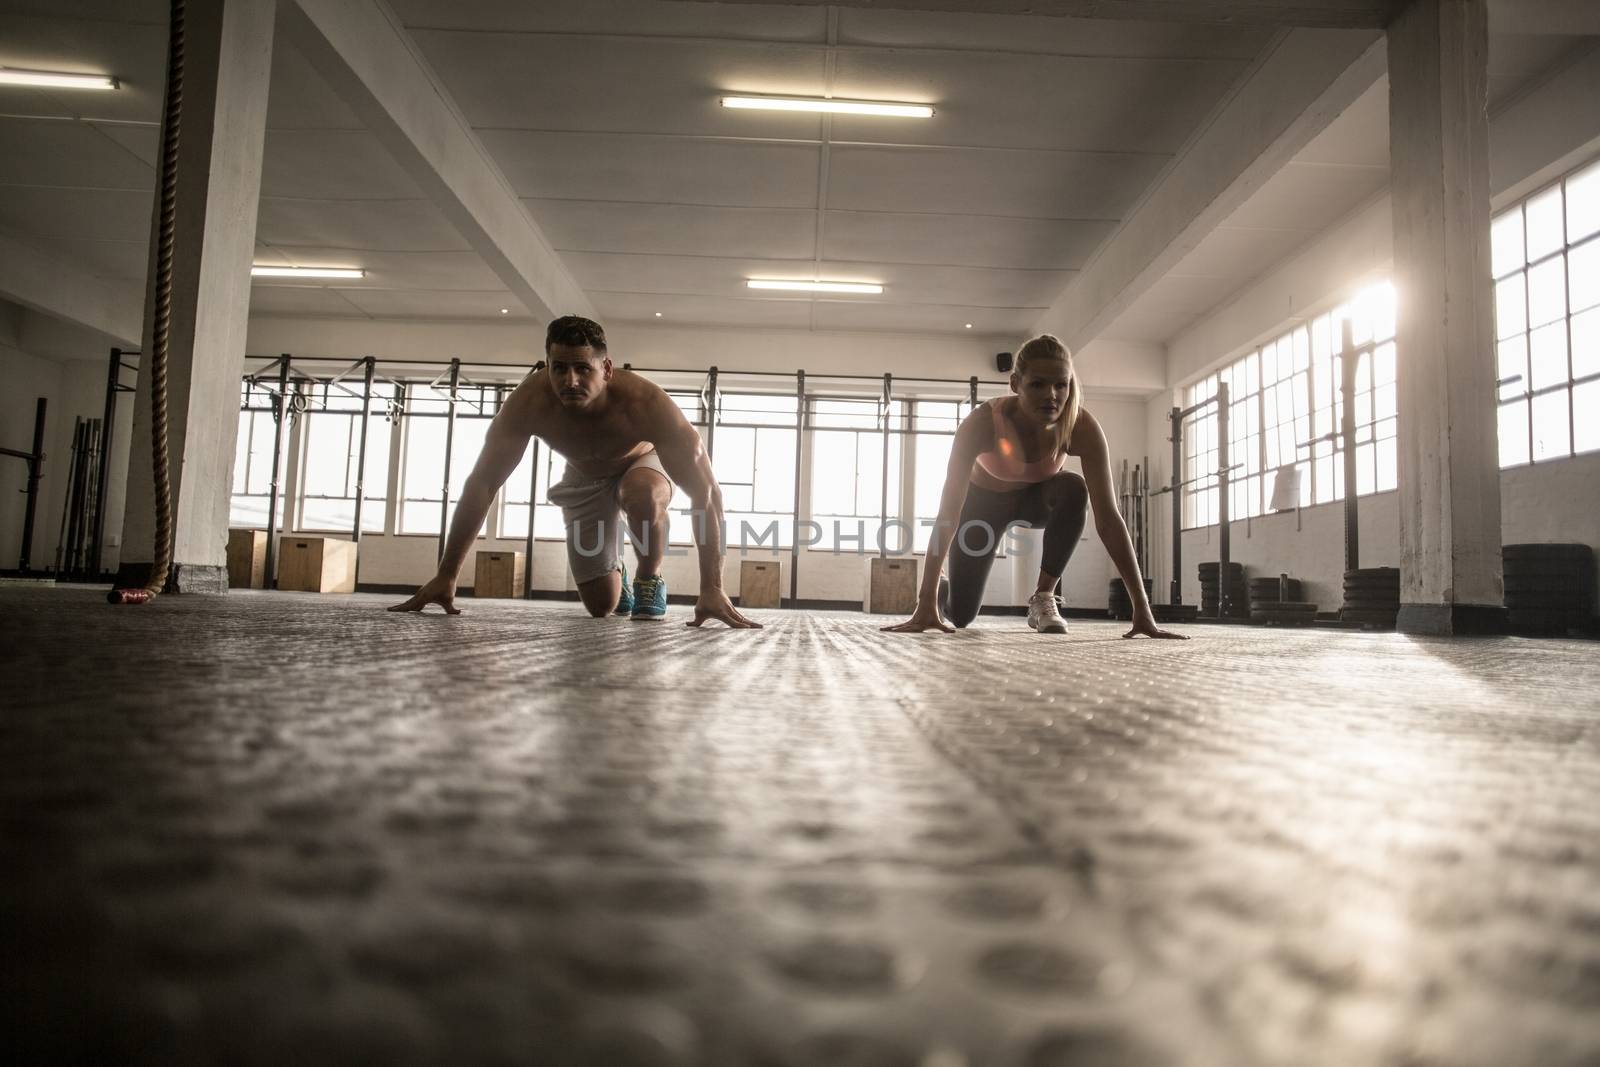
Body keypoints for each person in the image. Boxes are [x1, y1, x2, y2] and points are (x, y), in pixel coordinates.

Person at [390, 315, 760, 629]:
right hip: (584, 477)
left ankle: (649, 576)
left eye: (583, 368)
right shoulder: (528, 404)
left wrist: (712, 585)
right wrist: (447, 573)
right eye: (560, 368)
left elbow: (706, 494)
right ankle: (619, 574)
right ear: (546, 366)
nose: (570, 381)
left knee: (642, 495)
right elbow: (483, 484)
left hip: (642, 463)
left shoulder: (648, 405)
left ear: (607, 369)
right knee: (602, 606)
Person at [883, 334, 1184, 639]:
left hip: (1035, 500)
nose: (1051, 395)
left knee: (1073, 488)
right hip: (981, 507)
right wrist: (924, 602)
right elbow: (948, 511)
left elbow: (1108, 519)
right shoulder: (982, 423)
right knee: (961, 615)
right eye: (1038, 384)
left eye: (1061, 385)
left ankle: (1044, 597)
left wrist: (1142, 608)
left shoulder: (1080, 426)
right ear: (1015, 384)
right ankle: (943, 588)